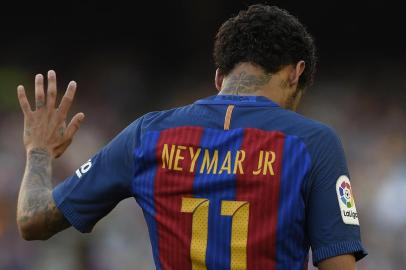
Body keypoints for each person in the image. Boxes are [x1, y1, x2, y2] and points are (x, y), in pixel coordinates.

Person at [16, 4, 367, 270]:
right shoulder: (313, 143)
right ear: (296, 73)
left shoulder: (147, 135)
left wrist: (39, 152)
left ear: (219, 77)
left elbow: (33, 221)